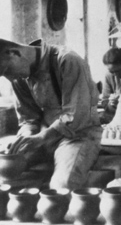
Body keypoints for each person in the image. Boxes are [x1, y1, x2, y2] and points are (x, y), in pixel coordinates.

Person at [0, 38, 102, 189]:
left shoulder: (67, 60)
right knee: (7, 171)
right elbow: (28, 118)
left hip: (78, 135)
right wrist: (26, 136)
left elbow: (76, 114)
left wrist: (41, 138)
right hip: (43, 135)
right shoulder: (18, 78)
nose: (10, 78)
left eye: (7, 70)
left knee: (61, 186)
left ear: (14, 53)